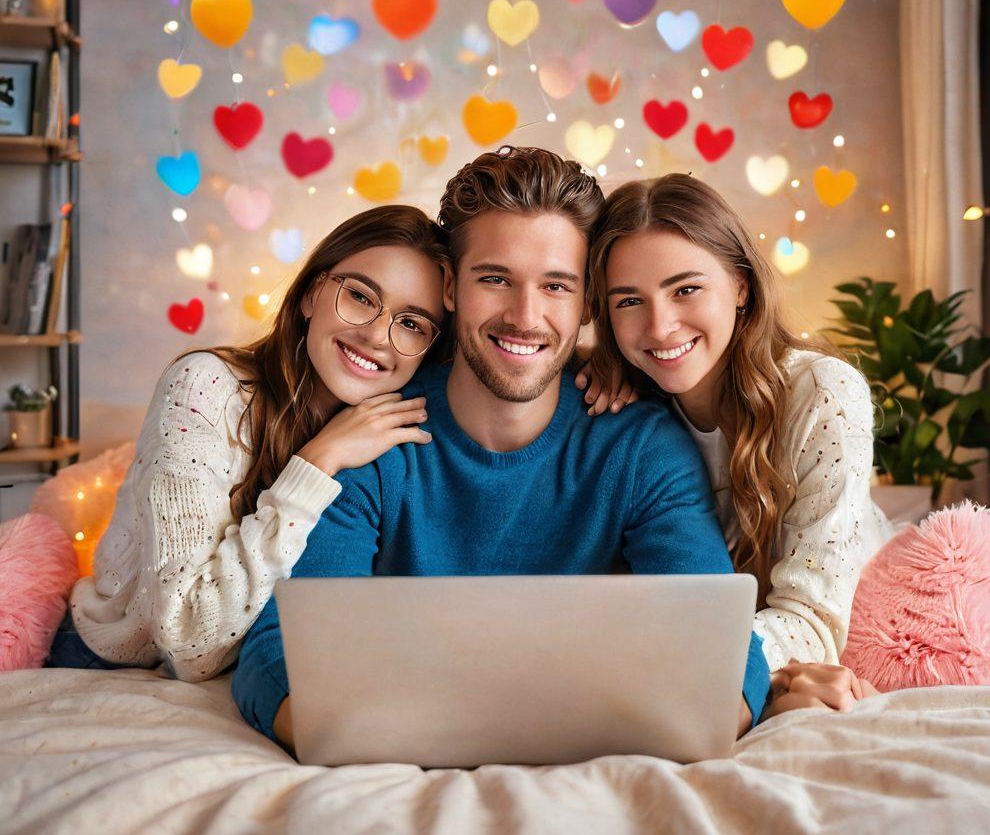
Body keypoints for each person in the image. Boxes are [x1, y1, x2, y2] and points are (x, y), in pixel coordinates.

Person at [231, 146, 772, 752]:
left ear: (587, 301)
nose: (525, 315)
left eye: (556, 285)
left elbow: (723, 653)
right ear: (451, 288)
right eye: (495, 279)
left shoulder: (642, 448)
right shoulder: (372, 439)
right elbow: (279, 653)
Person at [49, 205, 448, 680]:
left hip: (254, 672)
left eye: (411, 324)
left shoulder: (396, 431)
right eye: (361, 297)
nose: (377, 335)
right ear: (311, 294)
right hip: (111, 659)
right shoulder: (204, 389)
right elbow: (187, 641)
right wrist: (317, 464)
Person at [583, 173, 893, 716]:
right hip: (721, 646)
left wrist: (699, 661)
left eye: (686, 289)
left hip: (852, 606)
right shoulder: (620, 406)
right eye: (629, 300)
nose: (659, 326)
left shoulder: (822, 395)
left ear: (741, 284)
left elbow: (812, 617)